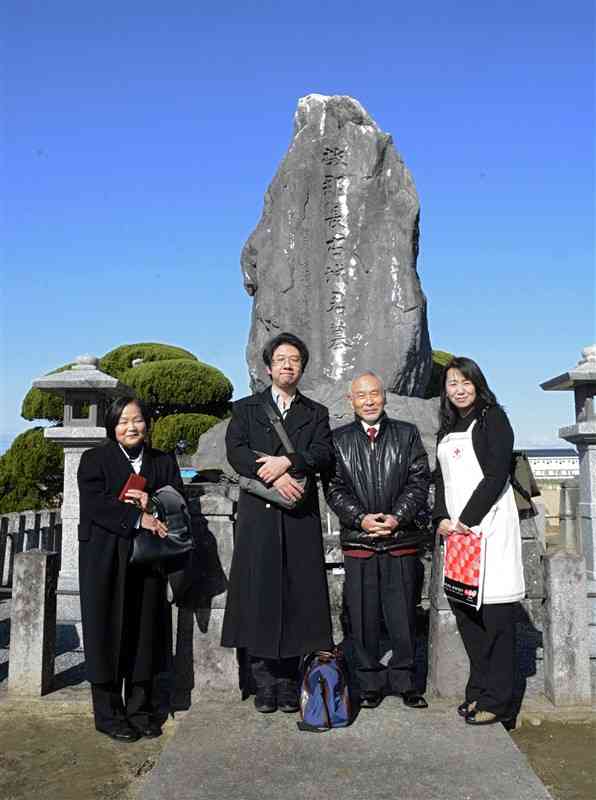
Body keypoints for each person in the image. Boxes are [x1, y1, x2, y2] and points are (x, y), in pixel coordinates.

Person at [221, 332, 334, 714]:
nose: (288, 365)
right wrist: (272, 475)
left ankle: (289, 682)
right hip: (261, 516)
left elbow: (323, 453)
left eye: (295, 360)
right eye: (281, 359)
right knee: (260, 594)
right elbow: (235, 452)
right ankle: (263, 681)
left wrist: (289, 463)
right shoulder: (245, 409)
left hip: (299, 516)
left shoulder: (315, 412)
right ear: (268, 367)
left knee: (298, 595)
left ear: (302, 368)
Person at [77, 396, 184, 742]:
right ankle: (108, 715)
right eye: (123, 421)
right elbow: (95, 506)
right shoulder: (94, 460)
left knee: (144, 632)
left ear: (147, 424)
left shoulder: (162, 461)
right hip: (105, 556)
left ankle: (141, 710)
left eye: (137, 420)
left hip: (148, 557)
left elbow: (176, 500)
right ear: (112, 426)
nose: (131, 427)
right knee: (106, 630)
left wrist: (152, 503)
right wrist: (139, 517)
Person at [325, 372, 431, 710]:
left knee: (403, 616)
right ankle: (368, 683)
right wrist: (361, 519)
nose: (369, 400)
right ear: (350, 401)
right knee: (363, 617)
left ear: (384, 396)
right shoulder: (338, 440)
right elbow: (333, 487)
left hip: (400, 539)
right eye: (361, 395)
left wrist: (397, 516)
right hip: (360, 542)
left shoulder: (406, 434)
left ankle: (405, 682)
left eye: (374, 393)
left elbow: (419, 480)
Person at [433, 356, 525, 726]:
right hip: (457, 538)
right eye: (452, 383)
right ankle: (479, 690)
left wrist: (466, 520)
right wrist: (441, 517)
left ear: (478, 383)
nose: (459, 389)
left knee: (496, 619)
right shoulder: (448, 427)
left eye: (465, 382)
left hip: (489, 531)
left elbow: (496, 474)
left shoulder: (492, 418)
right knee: (468, 617)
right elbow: (440, 480)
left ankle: (500, 702)